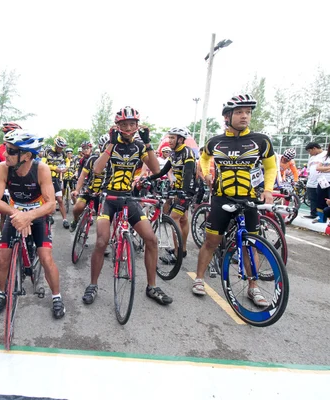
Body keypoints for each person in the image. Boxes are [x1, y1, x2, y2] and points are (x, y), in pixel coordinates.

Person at [192, 94, 277, 307]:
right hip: (222, 197)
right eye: (239, 112)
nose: (245, 116)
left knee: (252, 246)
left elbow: (270, 166)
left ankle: (253, 287)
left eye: (248, 112)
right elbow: (203, 157)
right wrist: (206, 174)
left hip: (248, 198)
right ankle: (199, 278)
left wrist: (268, 190)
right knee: (211, 241)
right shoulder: (215, 141)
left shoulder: (261, 140)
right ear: (227, 117)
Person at [83, 106, 172, 306]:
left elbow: (156, 170)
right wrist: (110, 145)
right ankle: (93, 285)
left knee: (151, 239)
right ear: (118, 126)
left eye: (132, 124)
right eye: (124, 124)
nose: (129, 127)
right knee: (101, 241)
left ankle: (152, 287)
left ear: (137, 126)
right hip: (109, 199)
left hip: (128, 198)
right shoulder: (110, 144)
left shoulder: (140, 146)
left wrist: (148, 142)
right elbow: (97, 169)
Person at [0, 129, 65, 319]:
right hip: (15, 214)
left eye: (11, 151)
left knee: (46, 258)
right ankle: (2, 292)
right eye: (6, 149)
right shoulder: (2, 168)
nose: (5, 154)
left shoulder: (41, 169)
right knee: (2, 257)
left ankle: (57, 296)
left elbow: (51, 204)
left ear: (27, 155)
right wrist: (18, 214)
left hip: (37, 214)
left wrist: (29, 216)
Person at [148, 127, 197, 263]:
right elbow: (164, 171)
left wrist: (184, 192)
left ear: (180, 139)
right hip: (179, 188)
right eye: (169, 137)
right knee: (183, 219)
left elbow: (188, 173)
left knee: (174, 218)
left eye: (172, 138)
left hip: (188, 189)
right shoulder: (174, 153)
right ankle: (183, 249)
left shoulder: (187, 152)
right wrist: (149, 178)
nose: (169, 140)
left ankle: (177, 253)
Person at [69, 135, 109, 233]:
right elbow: (82, 175)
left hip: (104, 192)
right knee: (77, 207)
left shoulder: (115, 160)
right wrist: (77, 190)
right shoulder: (92, 159)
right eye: (106, 145)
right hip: (90, 189)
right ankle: (75, 220)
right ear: (100, 147)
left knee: (104, 222)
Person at [0, 122, 21, 229]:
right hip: (4, 186)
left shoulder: (22, 148)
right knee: (4, 215)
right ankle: (4, 239)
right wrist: (2, 174)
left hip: (19, 184)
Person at [43, 136, 70, 228]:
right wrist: (54, 168)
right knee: (48, 200)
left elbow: (68, 161)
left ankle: (65, 220)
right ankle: (48, 216)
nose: (61, 149)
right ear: (56, 145)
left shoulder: (62, 153)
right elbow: (43, 164)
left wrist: (66, 167)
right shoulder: (48, 151)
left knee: (60, 200)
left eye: (62, 148)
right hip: (46, 179)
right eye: (60, 147)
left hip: (56, 179)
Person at [303, 143, 326, 219]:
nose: (309, 153)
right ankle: (313, 214)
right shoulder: (312, 158)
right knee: (312, 198)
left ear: (314, 148)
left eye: (310, 151)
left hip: (321, 181)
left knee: (321, 198)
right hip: (311, 181)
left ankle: (322, 215)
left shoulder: (325, 154)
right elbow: (309, 170)